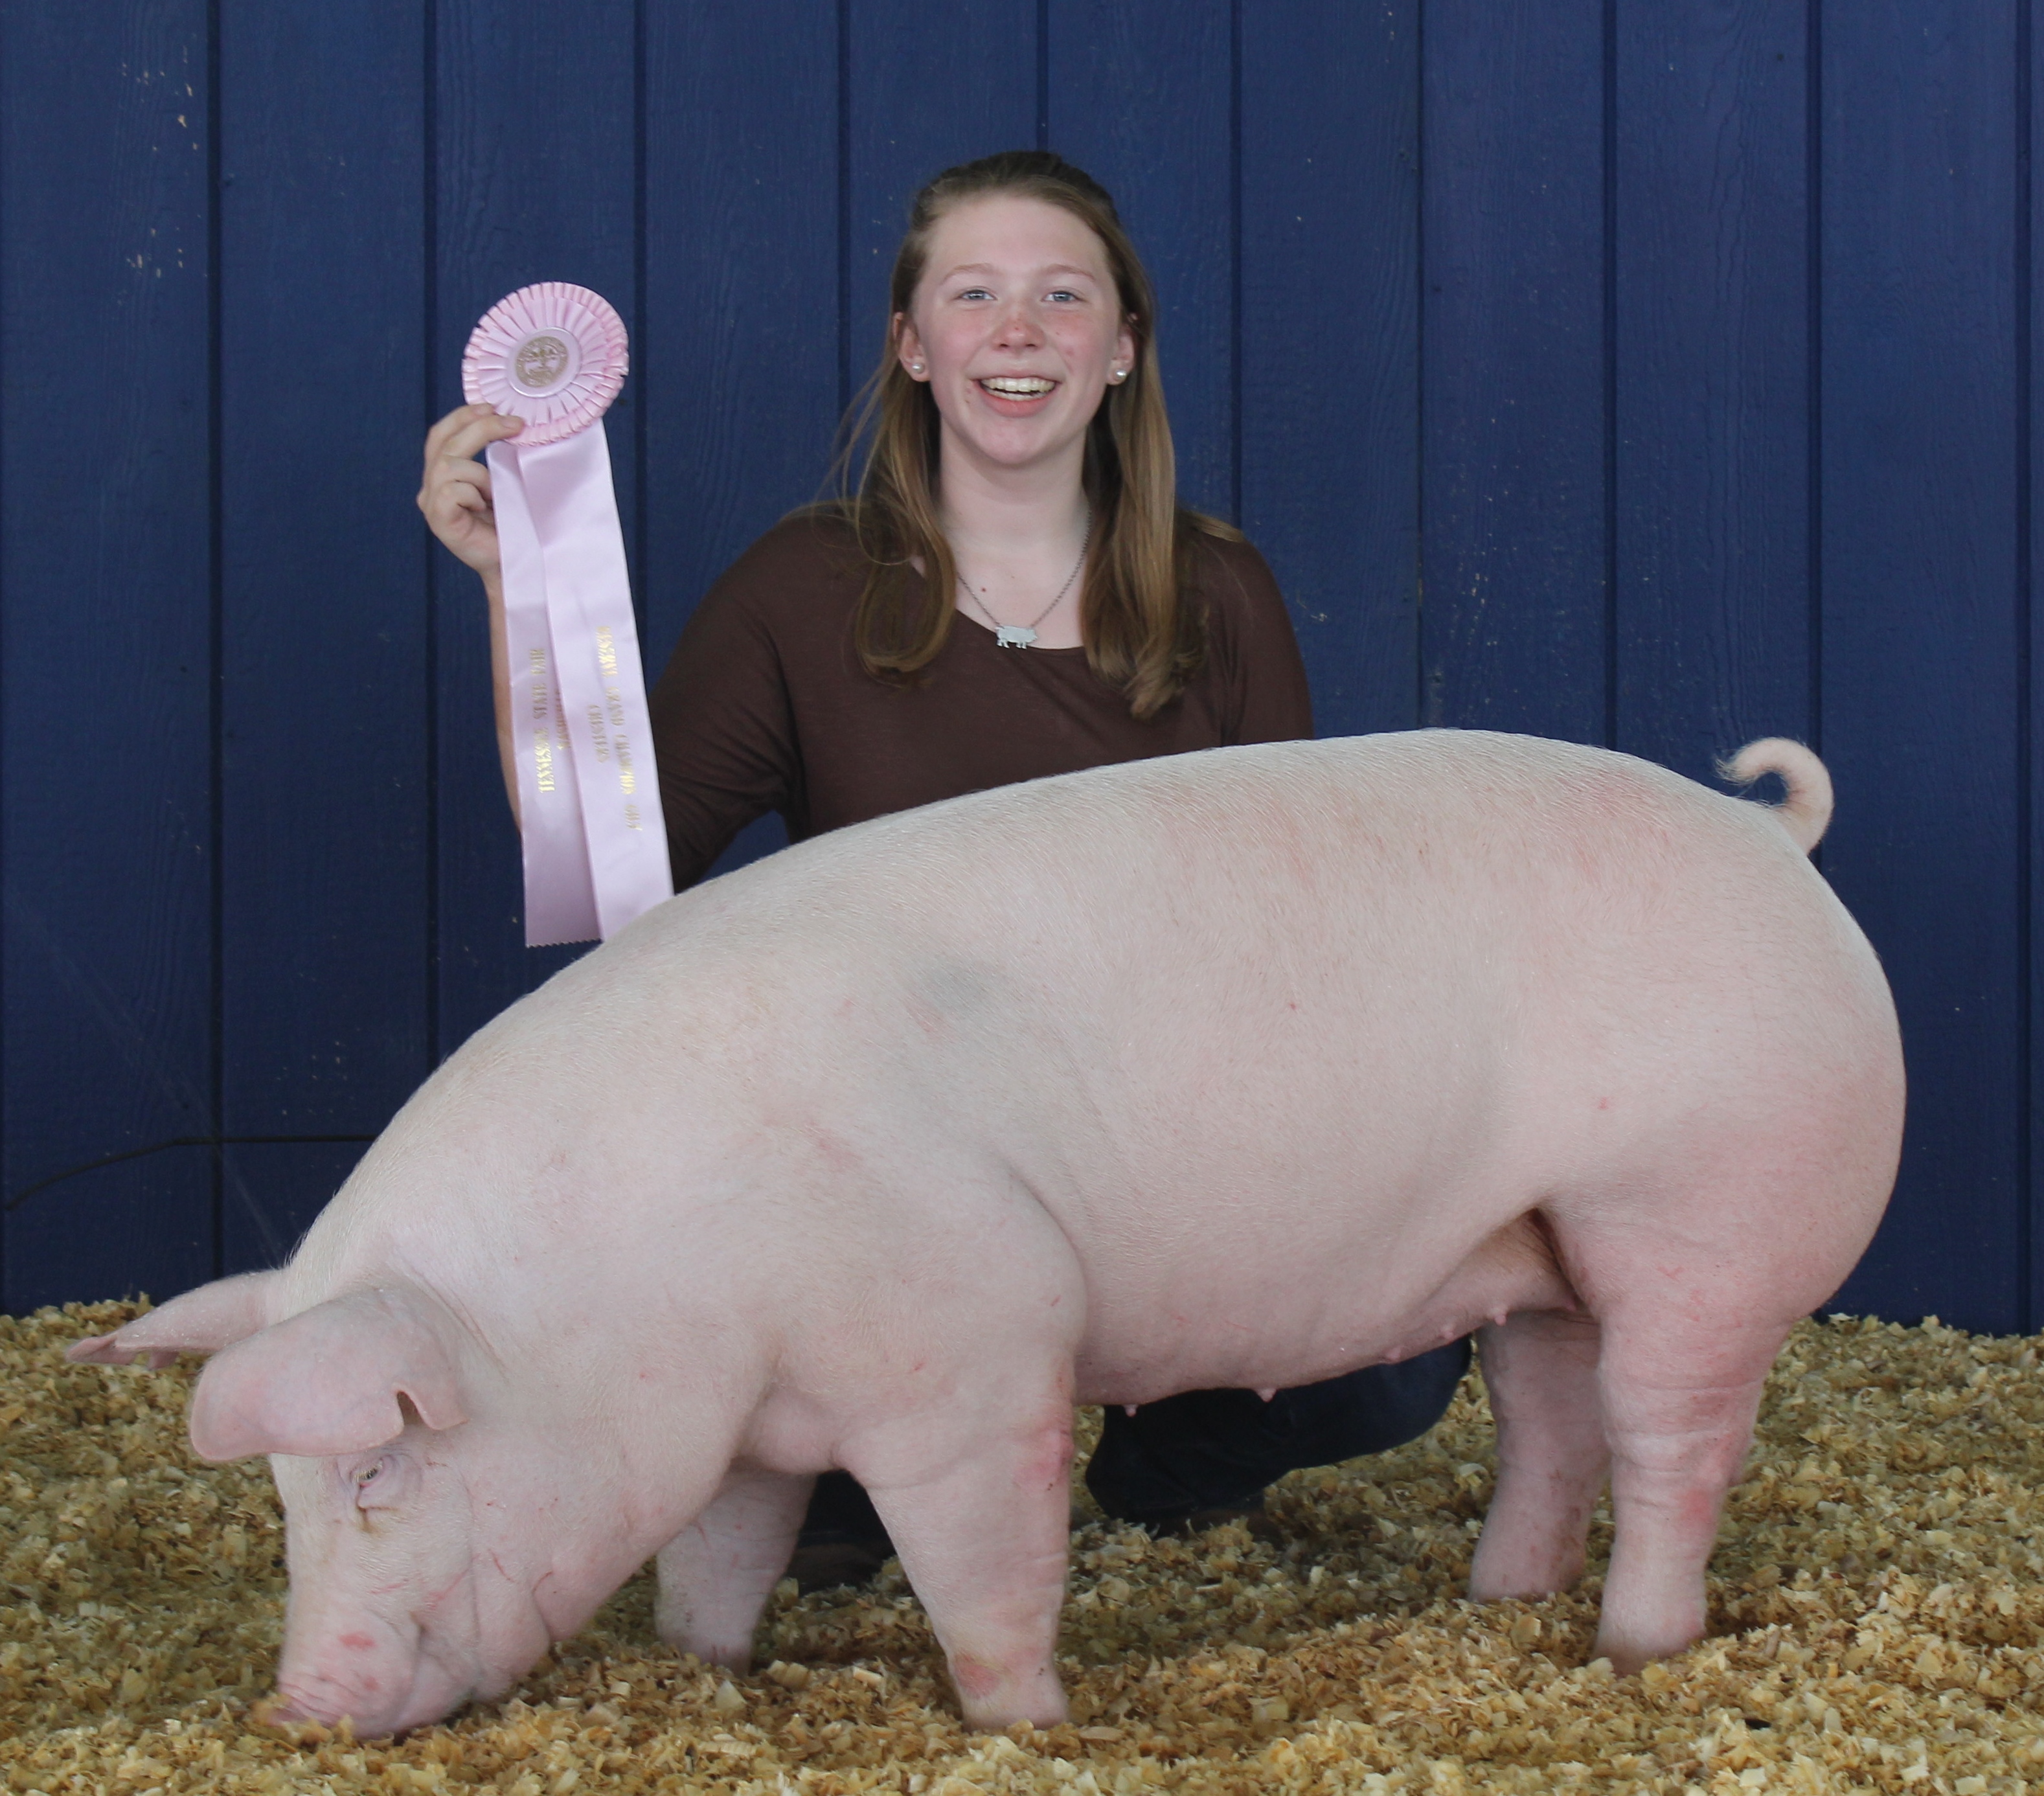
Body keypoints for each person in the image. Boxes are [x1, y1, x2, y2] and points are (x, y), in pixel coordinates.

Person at [418, 149, 1468, 1590]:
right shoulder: (803, 587)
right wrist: (516, 592)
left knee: (1396, 1367)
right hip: (893, 1174)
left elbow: (1303, 933)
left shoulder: (1221, 591)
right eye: (973, 295)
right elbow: (614, 878)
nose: (1017, 329)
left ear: (1122, 348)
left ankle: (1164, 1454)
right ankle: (874, 1455)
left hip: (1163, 1160)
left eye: (1062, 296)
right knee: (832, 1531)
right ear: (913, 346)